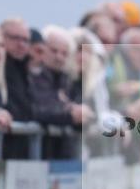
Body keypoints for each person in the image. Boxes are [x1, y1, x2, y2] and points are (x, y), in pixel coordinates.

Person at [32, 25, 94, 159]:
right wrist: (70, 113)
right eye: (54, 51)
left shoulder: (67, 81)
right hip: (37, 154)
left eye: (64, 53)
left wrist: (80, 115)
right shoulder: (33, 75)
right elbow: (38, 108)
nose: (59, 57)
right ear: (42, 49)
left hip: (62, 156)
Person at [1, 17, 34, 159]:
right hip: (2, 146)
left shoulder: (26, 69)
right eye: (16, 38)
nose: (21, 45)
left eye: (26, 40)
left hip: (21, 148)